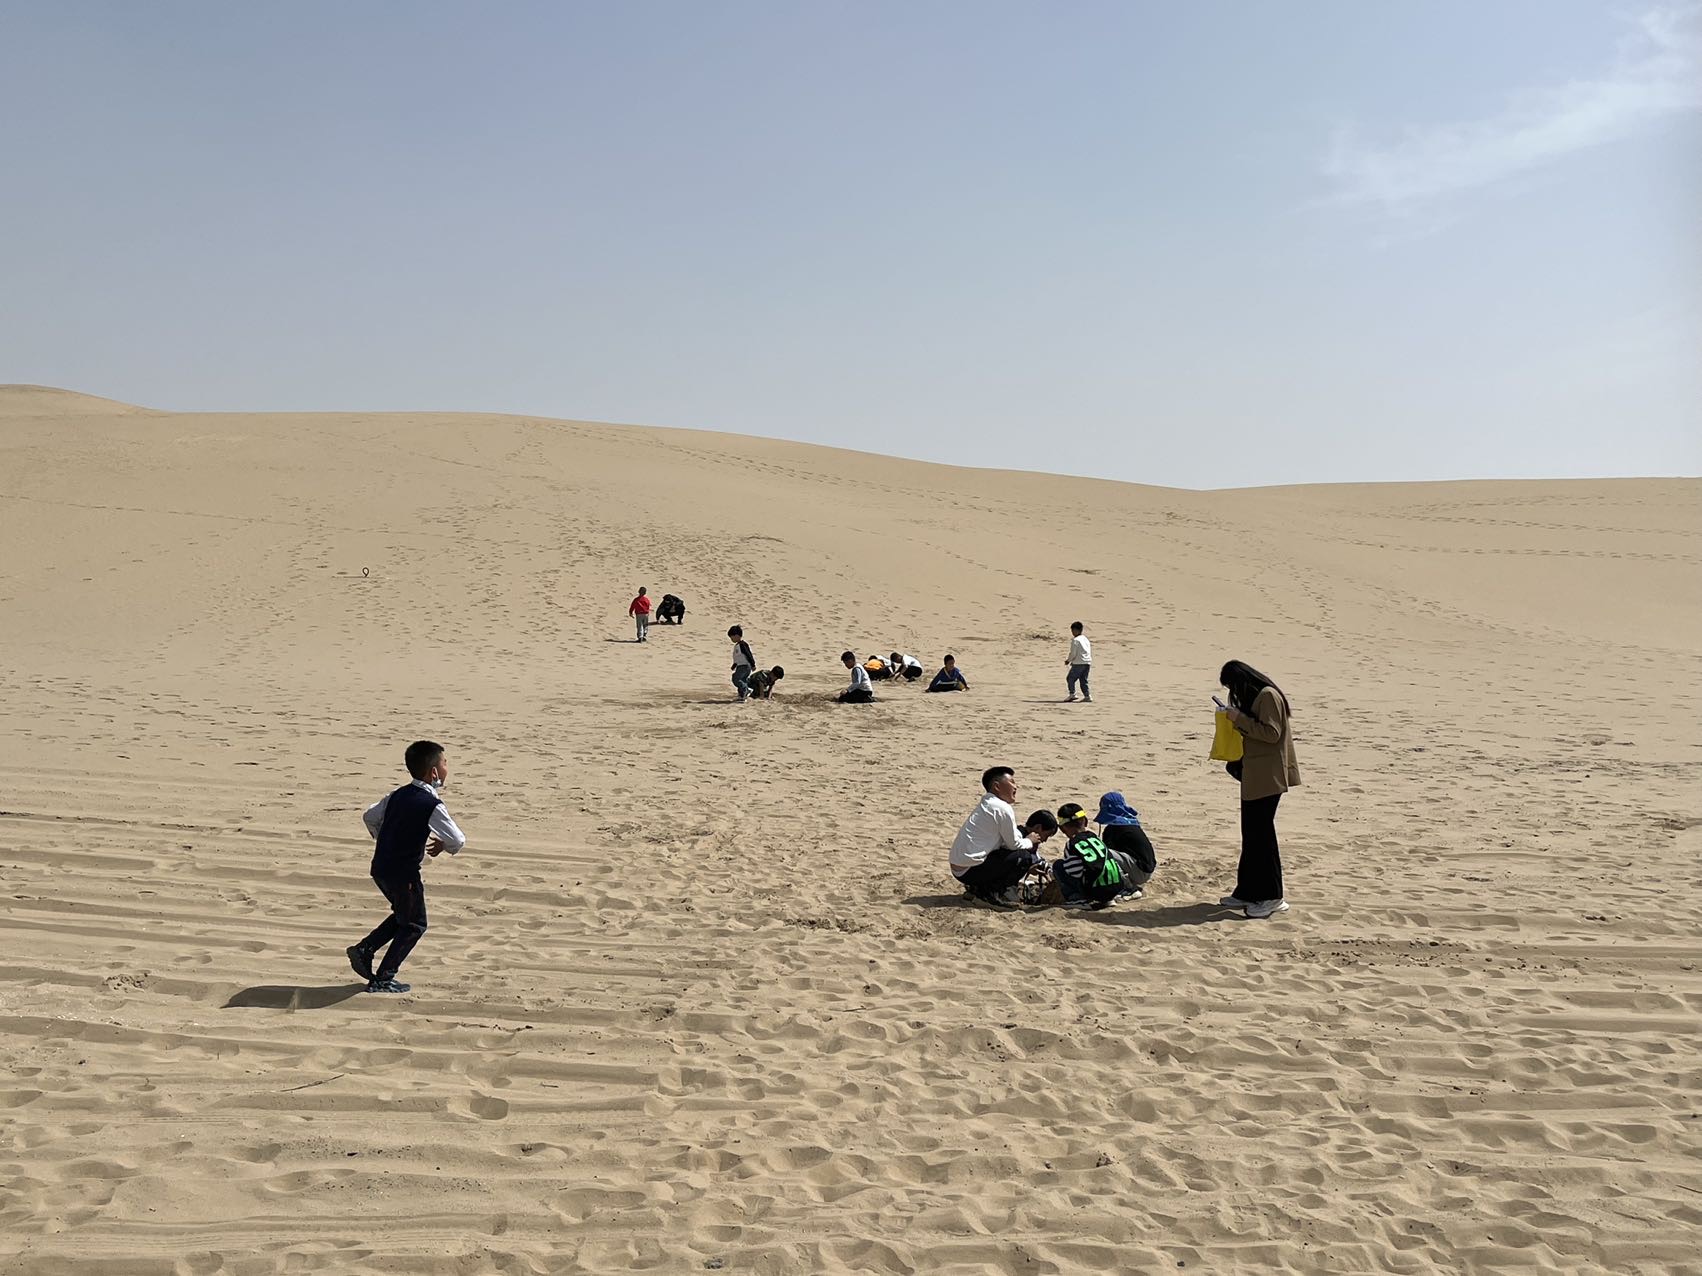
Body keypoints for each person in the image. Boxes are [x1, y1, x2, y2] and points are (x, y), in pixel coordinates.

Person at [347, 740, 467, 994]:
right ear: (434, 772)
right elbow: (457, 839)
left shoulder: (396, 794)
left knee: (405, 914)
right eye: (445, 763)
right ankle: (382, 977)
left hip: (380, 867)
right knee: (415, 924)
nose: (447, 768)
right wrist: (445, 846)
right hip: (403, 873)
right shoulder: (431, 804)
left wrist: (386, 839)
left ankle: (365, 949)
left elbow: (369, 816)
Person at [1214, 660, 1301, 918]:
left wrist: (1238, 718)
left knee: (1263, 838)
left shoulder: (1268, 696)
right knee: (1251, 836)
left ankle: (1273, 896)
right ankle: (1248, 891)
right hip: (1256, 776)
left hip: (1268, 777)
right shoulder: (1259, 697)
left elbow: (1271, 733)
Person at [950, 767, 1054, 906]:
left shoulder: (988, 805)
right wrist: (1030, 841)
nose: (1016, 786)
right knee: (1023, 857)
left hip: (960, 868)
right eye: (1012, 782)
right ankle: (993, 894)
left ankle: (979, 888)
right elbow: (1013, 845)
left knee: (1017, 855)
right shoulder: (1001, 807)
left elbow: (1010, 840)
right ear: (997, 786)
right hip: (969, 869)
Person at [1051, 802, 1148, 909]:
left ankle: (1077, 899)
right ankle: (1113, 897)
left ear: (1062, 829)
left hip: (1094, 890)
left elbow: (1073, 871)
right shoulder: (1095, 838)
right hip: (1114, 887)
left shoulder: (1072, 844)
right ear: (1086, 822)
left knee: (1059, 865)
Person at [1095, 791, 1157, 881]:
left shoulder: (1113, 829)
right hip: (1147, 869)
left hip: (1140, 871)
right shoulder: (1132, 822)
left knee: (1101, 853)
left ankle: (1127, 886)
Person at [1066, 621, 1092, 702]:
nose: (1072, 633)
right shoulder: (1085, 639)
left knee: (1070, 678)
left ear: (1076, 630)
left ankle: (1072, 694)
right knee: (1083, 680)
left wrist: (1068, 660)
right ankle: (1087, 696)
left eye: (1073, 630)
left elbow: (1073, 653)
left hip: (1079, 663)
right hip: (1087, 662)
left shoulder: (1076, 640)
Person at [729, 626, 756, 701]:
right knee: (742, 680)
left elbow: (748, 654)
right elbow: (738, 658)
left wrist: (753, 664)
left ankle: (746, 690)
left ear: (737, 635)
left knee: (736, 679)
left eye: (732, 637)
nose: (731, 639)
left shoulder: (742, 645)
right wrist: (734, 665)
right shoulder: (737, 645)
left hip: (745, 666)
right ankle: (742, 695)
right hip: (740, 666)